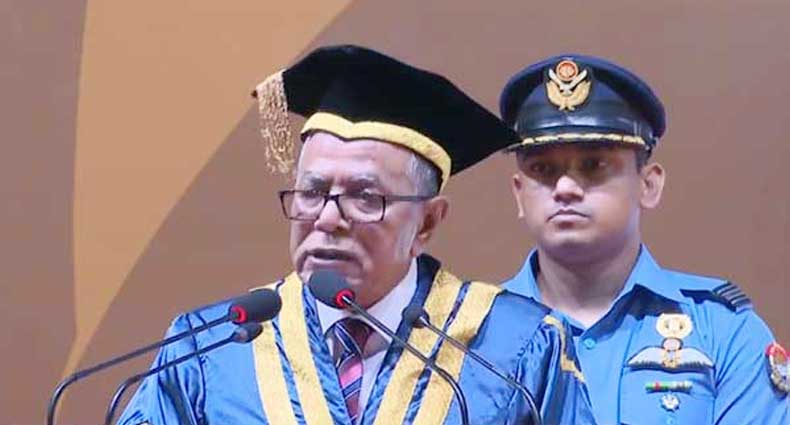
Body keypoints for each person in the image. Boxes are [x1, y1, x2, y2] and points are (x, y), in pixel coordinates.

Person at [118, 45, 595, 425]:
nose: (328, 218)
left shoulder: (515, 347)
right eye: (312, 192)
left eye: (365, 197)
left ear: (427, 222)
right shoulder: (211, 350)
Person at [499, 54, 789, 424]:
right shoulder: (474, 338)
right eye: (542, 169)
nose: (566, 187)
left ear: (648, 185)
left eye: (593, 165)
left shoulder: (724, 332)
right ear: (519, 194)